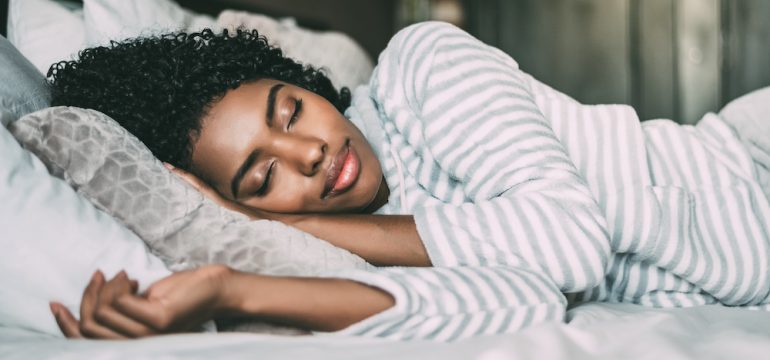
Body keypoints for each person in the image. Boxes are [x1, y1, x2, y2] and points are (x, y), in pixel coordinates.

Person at [46, 22, 770, 342]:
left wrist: (282, 223)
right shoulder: (368, 241)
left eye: (291, 109)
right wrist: (230, 288)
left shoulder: (425, 67)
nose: (307, 154)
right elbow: (523, 299)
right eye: (263, 178)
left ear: (304, 82)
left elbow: (569, 243)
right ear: (233, 204)